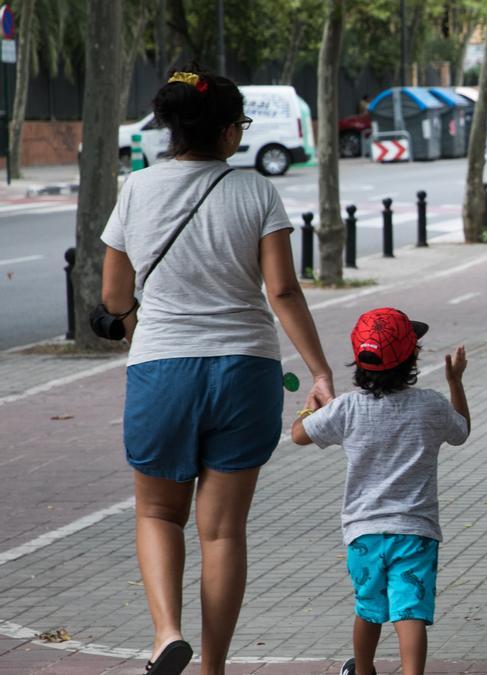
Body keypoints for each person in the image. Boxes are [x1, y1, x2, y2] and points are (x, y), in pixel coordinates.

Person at [100, 69, 334, 675]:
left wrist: (139, 335)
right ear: (229, 130)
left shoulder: (138, 188)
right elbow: (281, 290)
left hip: (162, 368)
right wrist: (320, 370)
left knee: (156, 513)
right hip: (246, 371)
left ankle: (165, 634)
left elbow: (114, 293)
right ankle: (214, 669)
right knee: (223, 532)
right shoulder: (256, 192)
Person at [292, 308, 471, 675]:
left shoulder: (346, 408)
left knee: (368, 609)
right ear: (412, 359)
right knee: (411, 611)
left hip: (364, 533)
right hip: (415, 531)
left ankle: (362, 671)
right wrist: (456, 382)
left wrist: (309, 409)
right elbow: (462, 431)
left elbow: (298, 435)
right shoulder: (431, 405)